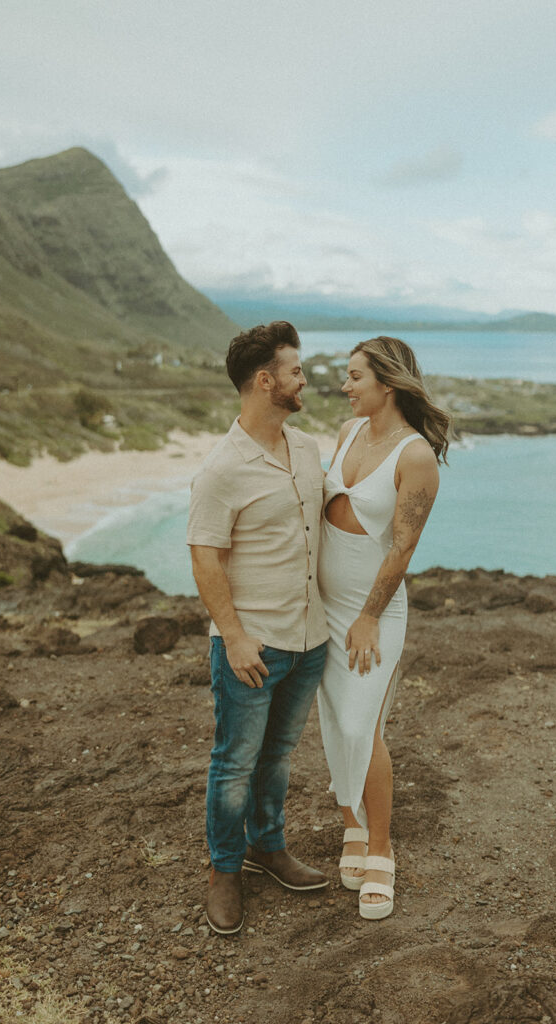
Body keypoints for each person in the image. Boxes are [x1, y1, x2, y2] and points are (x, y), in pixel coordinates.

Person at [187, 321, 330, 935]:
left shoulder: (306, 449)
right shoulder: (221, 468)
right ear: (266, 381)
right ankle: (224, 870)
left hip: (310, 639)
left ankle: (266, 847)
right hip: (252, 647)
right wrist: (236, 635)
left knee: (278, 756)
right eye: (296, 371)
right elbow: (204, 556)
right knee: (235, 761)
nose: (305, 380)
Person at [317, 336, 451, 920]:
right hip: (321, 605)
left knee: (360, 722)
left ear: (387, 384)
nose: (345, 386)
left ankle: (381, 848)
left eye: (354, 377)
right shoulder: (347, 434)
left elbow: (402, 548)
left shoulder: (414, 455)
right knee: (330, 720)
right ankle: (351, 821)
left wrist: (369, 615)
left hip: (371, 610)